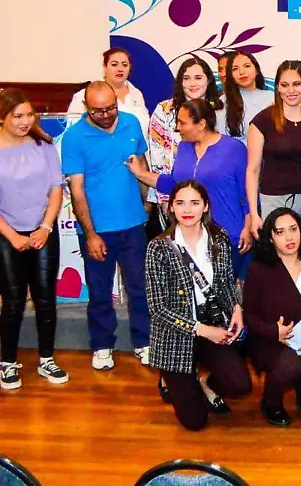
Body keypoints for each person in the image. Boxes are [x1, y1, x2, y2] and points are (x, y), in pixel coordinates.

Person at [144, 180, 250, 430]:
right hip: (176, 334)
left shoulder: (219, 237)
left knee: (240, 385)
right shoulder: (158, 248)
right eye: (180, 203)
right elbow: (158, 309)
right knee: (195, 422)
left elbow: (225, 283)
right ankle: (170, 377)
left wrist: (236, 308)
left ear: (205, 206)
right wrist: (203, 330)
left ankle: (206, 383)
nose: (187, 209)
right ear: (171, 207)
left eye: (194, 203)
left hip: (213, 324)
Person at [61, 82, 151, 371]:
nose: (106, 115)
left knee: (140, 287)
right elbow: (76, 190)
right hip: (97, 230)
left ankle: (144, 341)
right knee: (100, 292)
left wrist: (146, 205)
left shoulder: (131, 122)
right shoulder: (74, 137)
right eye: (98, 111)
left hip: (134, 224)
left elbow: (142, 165)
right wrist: (90, 234)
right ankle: (101, 345)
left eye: (111, 108)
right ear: (86, 107)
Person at [127, 100, 254, 278]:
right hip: (193, 238)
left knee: (225, 289)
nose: (177, 128)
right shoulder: (184, 148)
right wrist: (140, 173)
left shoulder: (234, 149)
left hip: (229, 236)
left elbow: (248, 191)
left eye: (182, 123)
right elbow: (174, 183)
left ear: (201, 124)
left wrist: (248, 227)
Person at [0, 89, 68, 389]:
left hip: (44, 230)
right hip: (6, 233)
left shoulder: (44, 145)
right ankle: (7, 362)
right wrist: (13, 236)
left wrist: (46, 227)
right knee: (13, 300)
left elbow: (56, 188)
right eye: (18, 116)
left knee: (45, 299)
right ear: (2, 118)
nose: (25, 121)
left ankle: (47, 359)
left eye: (29, 115)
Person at [243, 207, 301, 426]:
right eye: (280, 232)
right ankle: (270, 403)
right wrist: (273, 332)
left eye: (293, 229)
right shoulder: (259, 270)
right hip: (272, 343)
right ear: (271, 238)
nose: (289, 237)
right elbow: (250, 316)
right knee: (289, 366)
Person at [246, 61, 301, 246]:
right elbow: (253, 170)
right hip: (275, 201)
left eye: (297, 84)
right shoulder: (262, 121)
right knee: (279, 258)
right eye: (285, 85)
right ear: (277, 87)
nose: (291, 91)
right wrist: (254, 214)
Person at [147, 57, 224, 209]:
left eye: (198, 78)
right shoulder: (164, 110)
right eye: (187, 78)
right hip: (175, 193)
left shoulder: (221, 109)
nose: (192, 83)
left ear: (208, 80)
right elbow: (158, 155)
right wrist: (165, 198)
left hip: (216, 191)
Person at [67, 47, 149, 135]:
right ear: (105, 67)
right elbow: (73, 130)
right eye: (114, 64)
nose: (120, 69)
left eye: (125, 65)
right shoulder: (84, 95)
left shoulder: (137, 94)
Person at [216, 52, 273, 142]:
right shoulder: (222, 102)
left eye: (246, 66)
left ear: (256, 70)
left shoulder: (272, 98)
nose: (242, 72)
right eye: (235, 69)